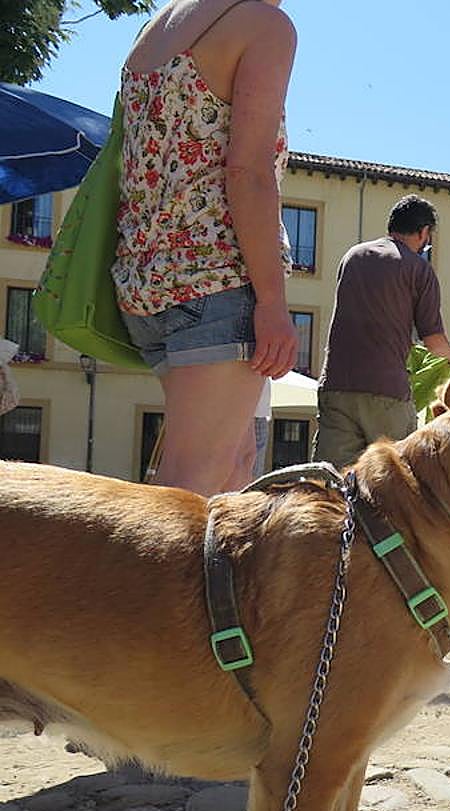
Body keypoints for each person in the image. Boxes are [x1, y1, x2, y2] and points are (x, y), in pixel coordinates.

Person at [114, 0, 299, 495]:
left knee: (235, 468)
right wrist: (273, 301)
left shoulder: (159, 26)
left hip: (146, 281)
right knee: (190, 488)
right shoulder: (266, 26)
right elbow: (248, 171)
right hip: (216, 279)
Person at [314, 195, 450, 468]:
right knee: (396, 478)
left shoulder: (353, 256)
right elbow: (434, 343)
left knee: (331, 479)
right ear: (423, 233)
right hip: (386, 391)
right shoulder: (418, 269)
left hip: (336, 385)